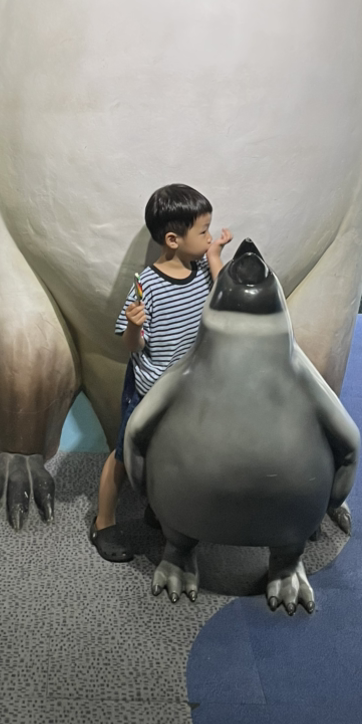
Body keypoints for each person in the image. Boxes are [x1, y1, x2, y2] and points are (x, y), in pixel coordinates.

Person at [89, 183, 232, 562]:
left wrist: (214, 255)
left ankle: (158, 506)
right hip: (148, 389)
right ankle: (103, 521)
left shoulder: (202, 272)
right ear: (173, 239)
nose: (209, 237)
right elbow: (132, 346)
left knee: (173, 448)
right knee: (125, 453)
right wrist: (134, 326)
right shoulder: (147, 285)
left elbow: (226, 294)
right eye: (203, 231)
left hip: (186, 388)